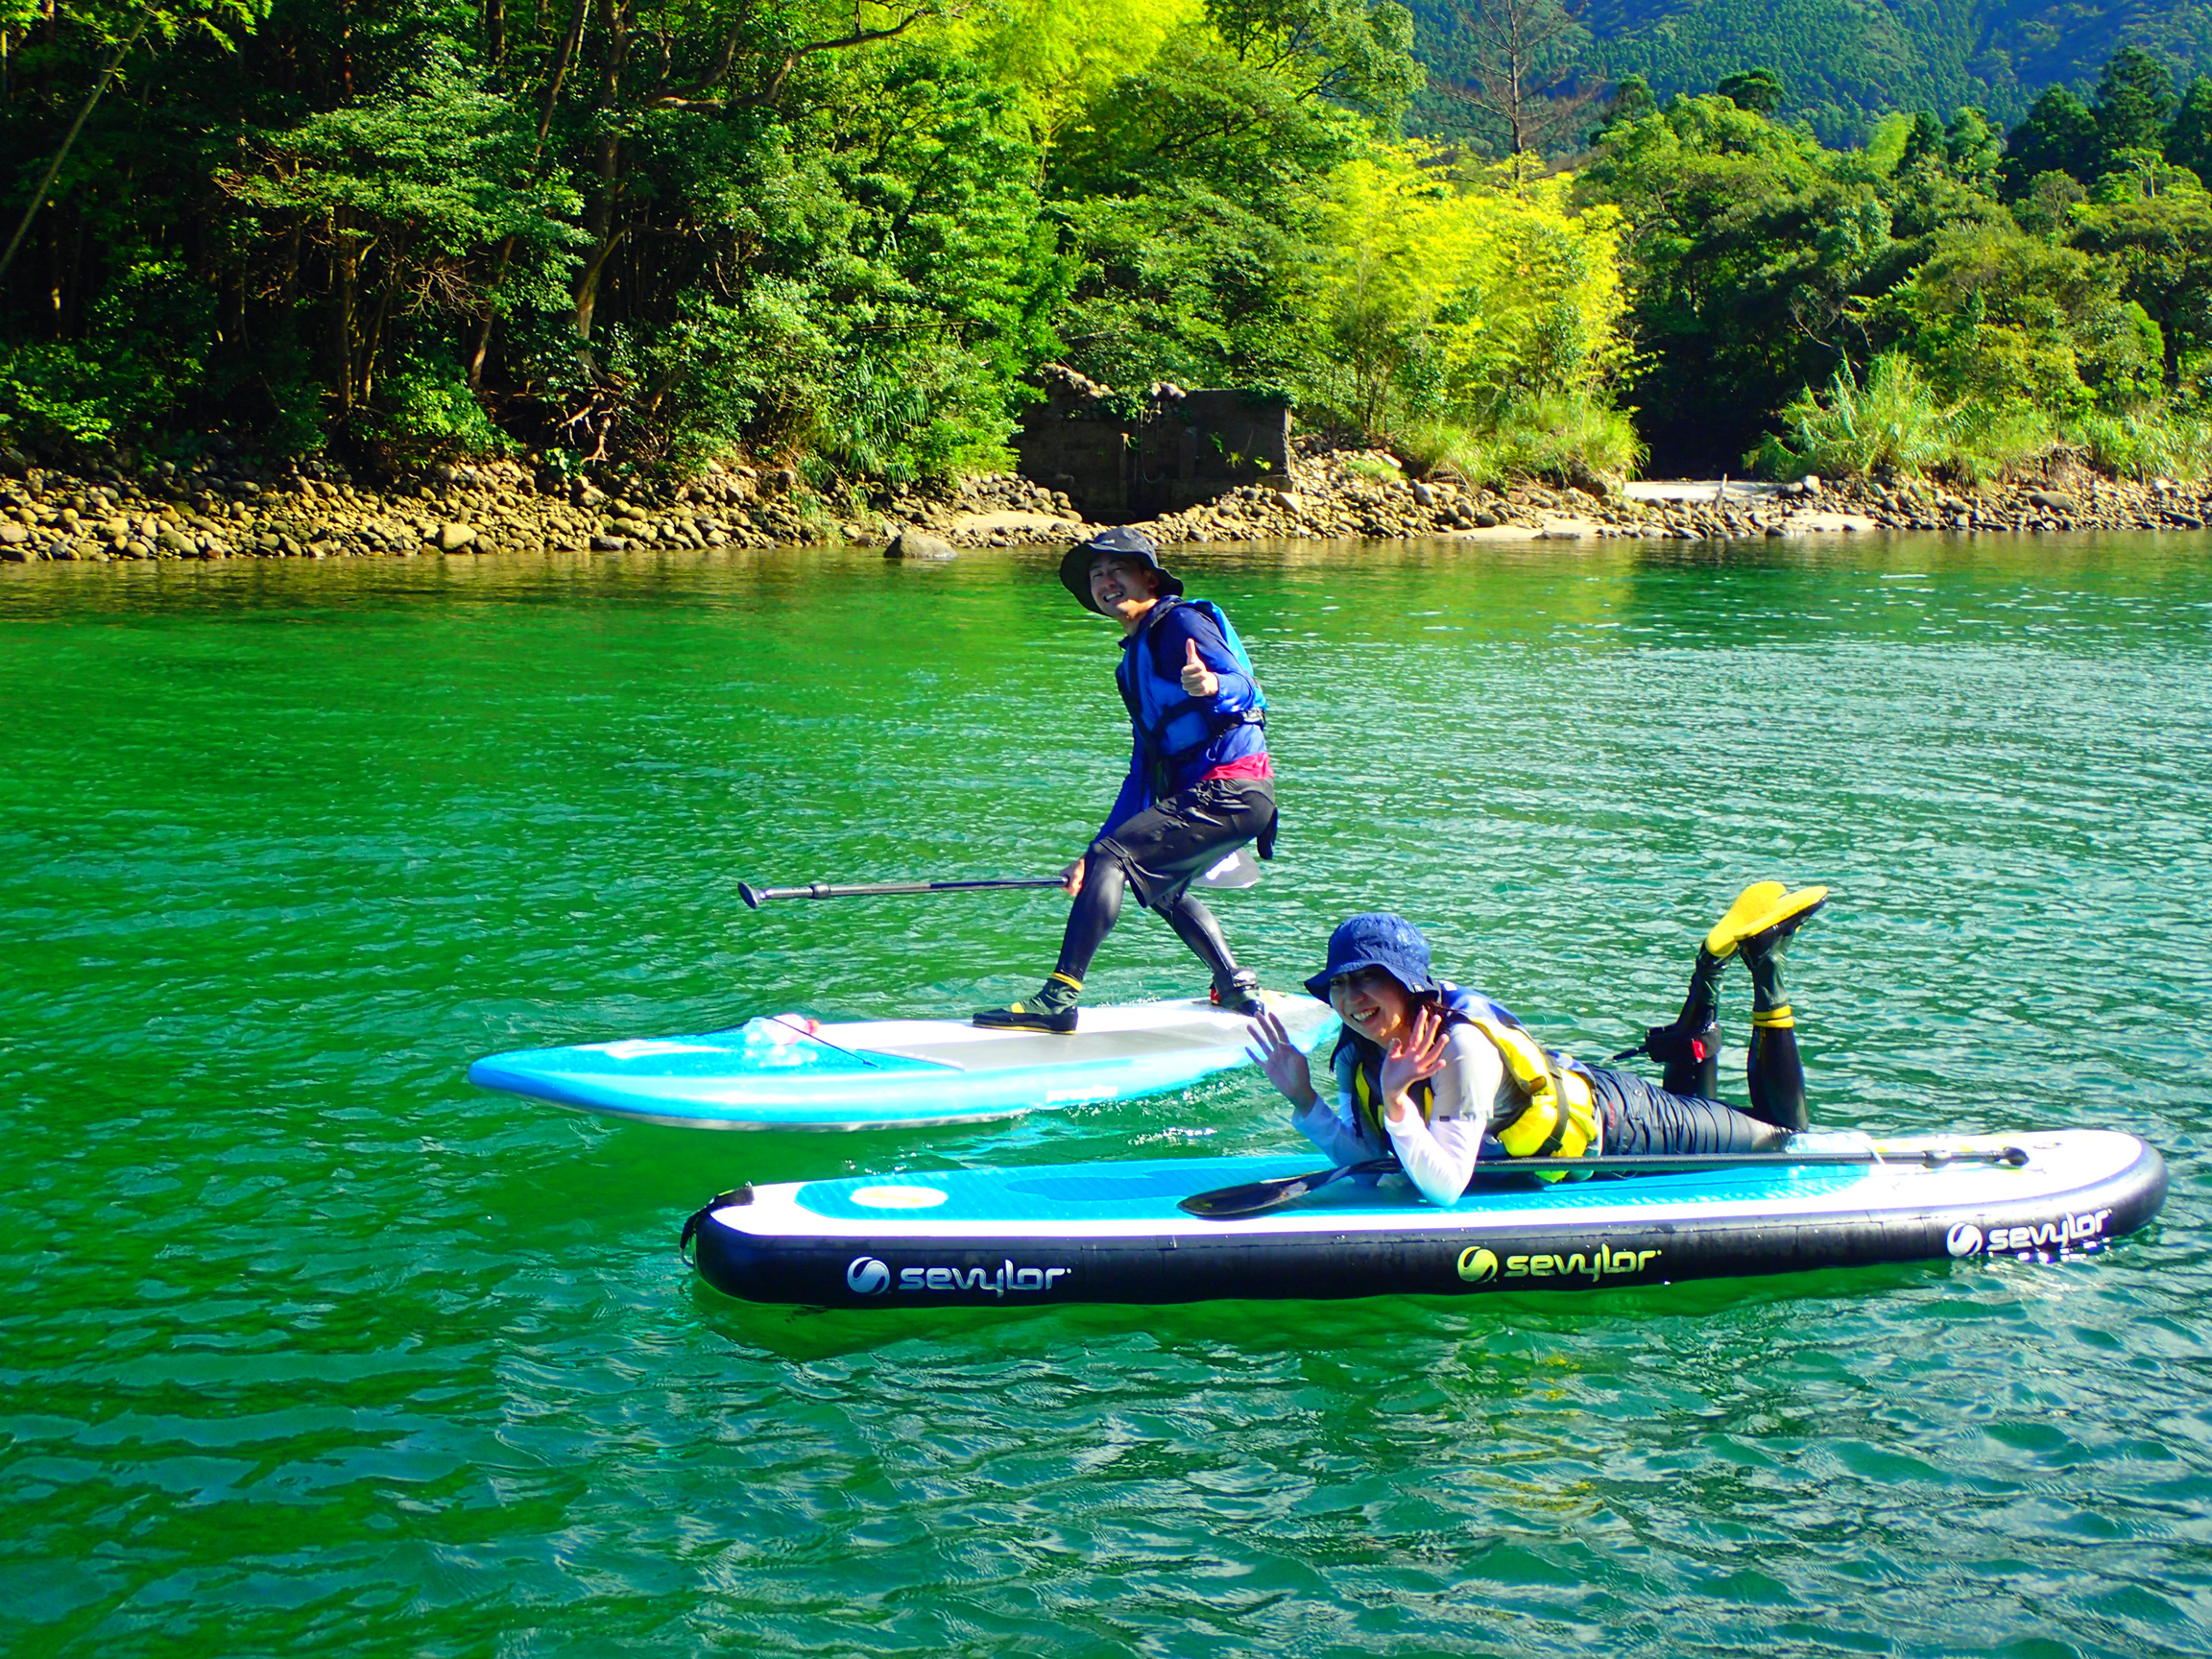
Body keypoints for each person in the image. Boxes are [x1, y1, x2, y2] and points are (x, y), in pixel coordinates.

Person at [1242, 883, 1828, 1207]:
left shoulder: (1459, 1050)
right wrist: (1304, 1101)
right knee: (1719, 1117)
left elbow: (1442, 1188)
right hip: (1585, 1094)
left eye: (1368, 978)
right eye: (1340, 984)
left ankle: (1764, 964)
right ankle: (1709, 970)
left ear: (1409, 984)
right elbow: (1368, 1170)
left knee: (1781, 1139)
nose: (1352, 999)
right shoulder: (1355, 1054)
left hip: (1622, 1127)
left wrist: (1398, 1105)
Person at [974, 527, 1277, 1033]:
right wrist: (1091, 852)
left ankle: (1058, 998)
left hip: (1234, 788)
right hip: (1219, 798)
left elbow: (1249, 689)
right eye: (1096, 575)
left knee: (1117, 859)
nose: (1105, 581)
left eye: (1117, 569)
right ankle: (1232, 984)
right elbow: (1142, 771)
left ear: (1150, 578)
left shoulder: (1180, 622)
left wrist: (1212, 683)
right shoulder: (1129, 665)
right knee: (1161, 886)